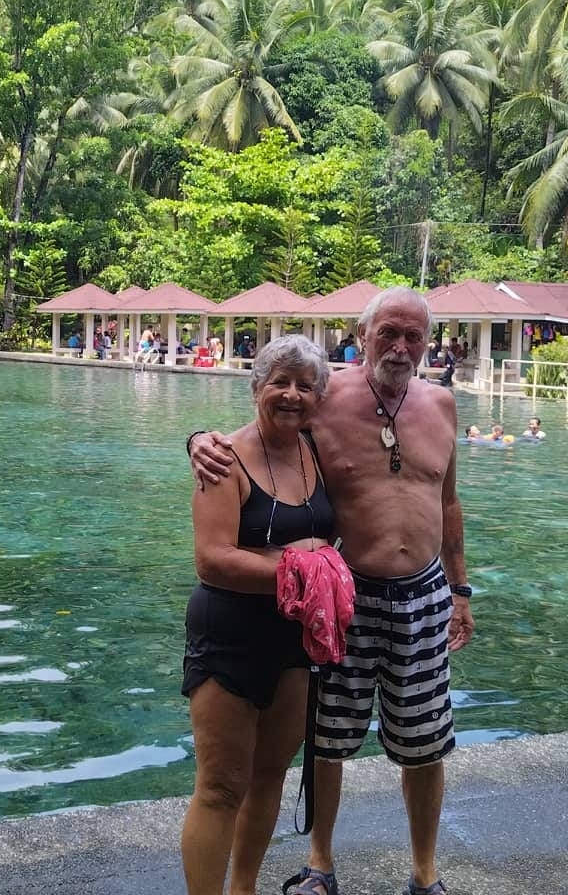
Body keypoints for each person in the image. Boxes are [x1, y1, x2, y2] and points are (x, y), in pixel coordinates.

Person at [188, 287, 474, 895]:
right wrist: (197, 438)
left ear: (429, 343)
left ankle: (425, 875)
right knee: (329, 739)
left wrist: (461, 587)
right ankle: (320, 864)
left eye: (413, 336)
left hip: (424, 593)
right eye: (388, 333)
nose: (400, 347)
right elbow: (263, 424)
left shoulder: (443, 405)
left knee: (424, 744)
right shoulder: (325, 398)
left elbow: (448, 502)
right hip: (346, 598)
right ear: (361, 333)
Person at [182, 336, 336, 895]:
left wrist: (292, 563)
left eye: (304, 384)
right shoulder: (224, 457)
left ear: (319, 395)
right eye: (279, 381)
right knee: (221, 786)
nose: (292, 394)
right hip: (231, 636)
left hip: (295, 640)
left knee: (270, 775)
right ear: (255, 387)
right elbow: (213, 560)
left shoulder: (316, 449)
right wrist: (309, 570)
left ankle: (243, 889)